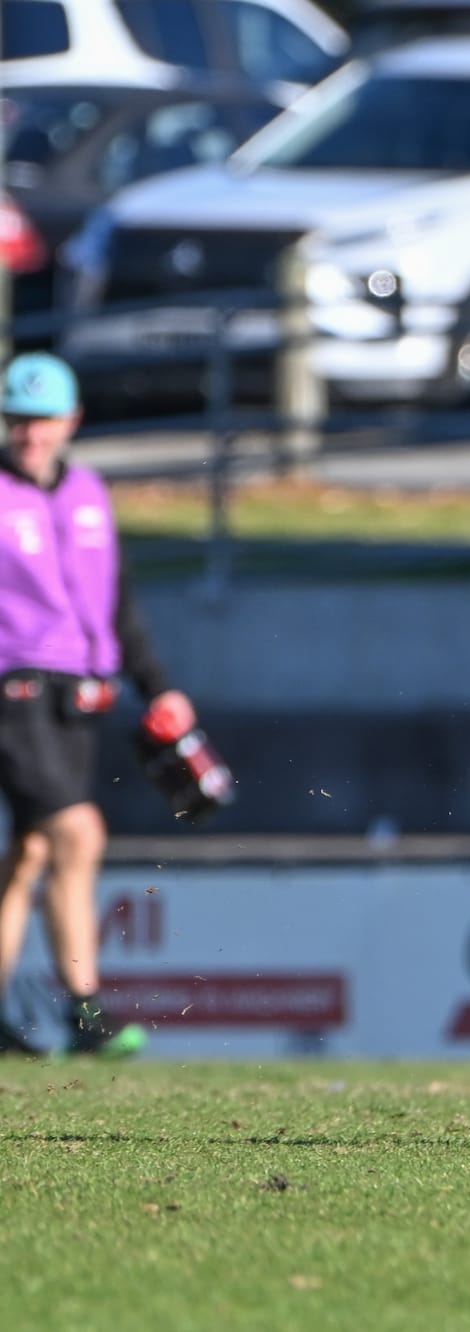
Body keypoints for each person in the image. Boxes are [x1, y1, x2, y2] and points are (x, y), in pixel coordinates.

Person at [0, 353, 195, 1058]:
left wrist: (158, 684)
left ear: (71, 421)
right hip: (10, 695)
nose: (29, 435)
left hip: (79, 699)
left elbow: (117, 604)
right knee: (78, 832)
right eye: (17, 421)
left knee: (28, 853)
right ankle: (85, 1012)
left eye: (41, 420)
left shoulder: (87, 494)